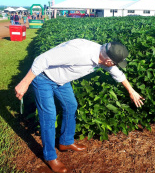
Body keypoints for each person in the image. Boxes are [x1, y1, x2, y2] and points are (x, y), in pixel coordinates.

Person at [15, 39, 145, 173]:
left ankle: (65, 142)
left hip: (62, 80)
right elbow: (41, 60)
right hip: (43, 78)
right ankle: (49, 156)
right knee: (49, 116)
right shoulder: (80, 52)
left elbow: (117, 73)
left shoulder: (103, 56)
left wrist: (132, 91)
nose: (114, 66)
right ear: (109, 61)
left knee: (71, 106)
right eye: (115, 63)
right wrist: (25, 83)